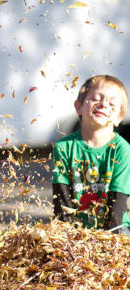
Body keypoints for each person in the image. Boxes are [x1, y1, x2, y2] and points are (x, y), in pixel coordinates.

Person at [52, 74, 130, 235]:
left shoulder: (122, 149)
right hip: (77, 229)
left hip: (115, 228)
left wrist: (106, 242)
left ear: (119, 118)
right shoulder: (63, 148)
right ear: (78, 106)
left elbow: (118, 204)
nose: (103, 104)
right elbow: (62, 201)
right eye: (96, 98)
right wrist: (69, 237)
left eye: (112, 103)